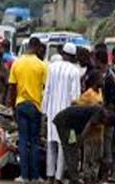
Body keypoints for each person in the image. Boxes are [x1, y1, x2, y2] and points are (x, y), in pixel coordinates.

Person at [7, 37, 47, 184]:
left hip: (21, 105)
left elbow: (12, 87)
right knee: (35, 142)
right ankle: (35, 177)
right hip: (36, 106)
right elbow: (45, 88)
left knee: (23, 141)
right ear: (36, 47)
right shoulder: (42, 65)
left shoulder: (17, 63)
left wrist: (12, 107)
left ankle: (23, 176)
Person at [42, 43, 81, 184]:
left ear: (63, 53)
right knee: (63, 146)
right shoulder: (74, 71)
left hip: (52, 112)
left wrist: (44, 112)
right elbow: (75, 98)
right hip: (66, 115)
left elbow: (47, 90)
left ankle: (49, 176)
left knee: (51, 144)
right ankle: (59, 178)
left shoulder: (51, 68)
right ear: (74, 56)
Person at [54, 106, 115, 184]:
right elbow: (87, 129)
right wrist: (79, 143)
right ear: (107, 119)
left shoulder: (100, 111)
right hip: (65, 123)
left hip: (71, 126)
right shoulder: (99, 114)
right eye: (106, 124)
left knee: (72, 149)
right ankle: (73, 178)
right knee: (70, 149)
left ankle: (73, 177)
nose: (103, 125)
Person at [73, 70, 104, 184]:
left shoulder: (100, 92)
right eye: (100, 79)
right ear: (95, 81)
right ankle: (87, 177)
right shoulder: (88, 94)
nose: (103, 81)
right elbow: (76, 103)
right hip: (90, 132)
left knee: (97, 156)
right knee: (88, 156)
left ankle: (94, 176)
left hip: (99, 132)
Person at [95, 47, 115, 182]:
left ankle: (105, 176)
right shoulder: (99, 74)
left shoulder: (110, 77)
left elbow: (111, 99)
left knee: (107, 146)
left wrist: (107, 111)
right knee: (99, 146)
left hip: (107, 116)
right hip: (99, 116)